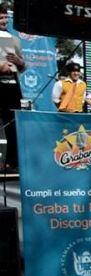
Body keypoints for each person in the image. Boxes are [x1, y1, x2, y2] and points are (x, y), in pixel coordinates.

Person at [0, 5, 24, 171]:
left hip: (12, 85)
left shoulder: (14, 39)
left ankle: (12, 162)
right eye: (1, 18)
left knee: (13, 124)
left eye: (5, 18)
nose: (4, 21)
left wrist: (18, 61)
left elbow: (23, 66)